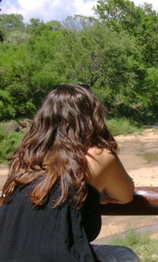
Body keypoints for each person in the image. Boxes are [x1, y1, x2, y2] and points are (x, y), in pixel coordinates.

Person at [0, 83, 142, 262]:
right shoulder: (97, 155)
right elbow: (125, 195)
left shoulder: (26, 159)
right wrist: (94, 194)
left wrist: (86, 195)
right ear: (91, 117)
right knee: (125, 256)